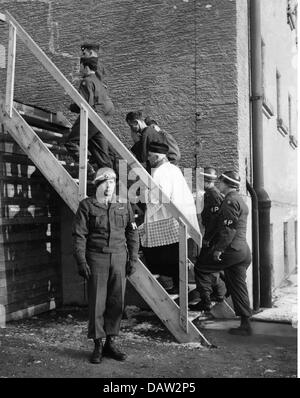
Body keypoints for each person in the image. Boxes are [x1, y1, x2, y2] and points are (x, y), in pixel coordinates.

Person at [72, 167, 139, 363]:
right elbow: (79, 235)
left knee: (116, 302)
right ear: (98, 185)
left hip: (119, 258)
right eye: (104, 183)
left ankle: (111, 342)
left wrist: (133, 258)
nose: (109, 186)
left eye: (112, 182)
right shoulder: (87, 206)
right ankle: (98, 345)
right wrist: (81, 260)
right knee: (97, 303)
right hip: (96, 259)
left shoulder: (123, 205)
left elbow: (132, 233)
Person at [194, 171, 253, 335]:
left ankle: (206, 306)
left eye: (220, 181)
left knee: (201, 267)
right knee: (238, 285)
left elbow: (228, 229)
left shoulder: (230, 201)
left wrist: (218, 249)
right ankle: (245, 323)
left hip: (232, 250)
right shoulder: (239, 199)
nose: (217, 184)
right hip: (242, 251)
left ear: (226, 183)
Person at [139, 141, 200, 294]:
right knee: (175, 253)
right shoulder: (174, 169)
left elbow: (159, 196)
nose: (148, 158)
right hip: (181, 216)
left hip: (169, 217)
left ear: (158, 156)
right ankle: (178, 284)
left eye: (151, 155)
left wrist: (144, 196)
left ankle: (178, 284)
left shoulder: (160, 172)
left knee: (156, 252)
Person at [65, 57, 115, 176]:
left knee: (71, 143)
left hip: (91, 117)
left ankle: (88, 170)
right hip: (101, 120)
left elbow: (85, 103)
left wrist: (71, 107)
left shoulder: (86, 81)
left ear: (86, 67)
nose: (79, 69)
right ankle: (111, 180)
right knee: (102, 156)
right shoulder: (99, 82)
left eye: (80, 66)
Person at [189, 167, 226, 311]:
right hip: (212, 238)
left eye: (199, 180)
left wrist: (207, 239)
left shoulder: (213, 196)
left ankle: (205, 301)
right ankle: (218, 294)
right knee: (210, 268)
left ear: (205, 181)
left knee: (200, 268)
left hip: (212, 239)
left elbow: (216, 222)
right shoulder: (210, 194)